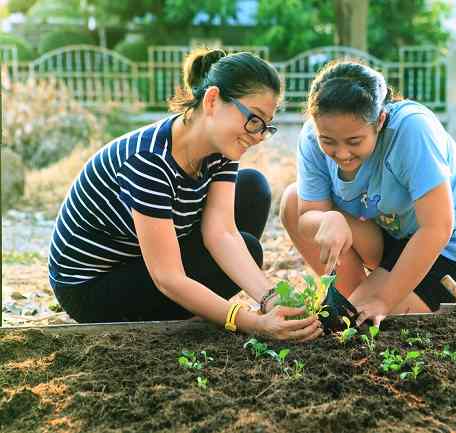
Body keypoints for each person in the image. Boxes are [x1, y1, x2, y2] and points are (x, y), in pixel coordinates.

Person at [48, 48, 322, 342]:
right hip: (92, 287)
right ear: (213, 100)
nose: (257, 135)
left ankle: (196, 307)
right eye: (253, 120)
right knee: (249, 250)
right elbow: (168, 277)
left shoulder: (221, 150)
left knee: (251, 189)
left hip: (143, 258)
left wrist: (270, 299)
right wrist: (250, 322)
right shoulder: (149, 160)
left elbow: (222, 234)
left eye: (265, 126)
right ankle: (193, 309)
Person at [279, 61, 456, 328]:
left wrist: (383, 300)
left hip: (453, 246)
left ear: (380, 120)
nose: (342, 153)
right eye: (329, 141)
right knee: (292, 201)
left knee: (375, 321)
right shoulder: (312, 139)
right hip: (392, 232)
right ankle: (362, 296)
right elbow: (305, 216)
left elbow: (438, 227)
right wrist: (328, 219)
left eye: (354, 141)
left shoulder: (412, 130)